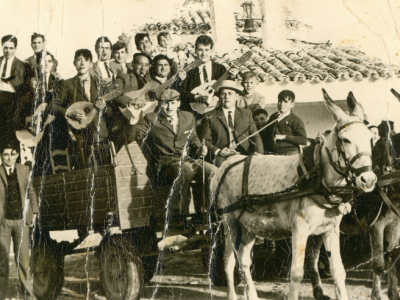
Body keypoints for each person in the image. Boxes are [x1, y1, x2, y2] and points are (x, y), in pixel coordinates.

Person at [135, 89, 217, 227]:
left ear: (178, 103)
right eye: (165, 103)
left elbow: (194, 140)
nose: (168, 107)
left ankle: (207, 210)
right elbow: (138, 136)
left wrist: (200, 149)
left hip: (188, 159)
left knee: (213, 171)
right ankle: (177, 213)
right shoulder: (151, 118)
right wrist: (152, 157)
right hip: (165, 163)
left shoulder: (188, 117)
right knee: (186, 170)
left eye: (172, 103)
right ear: (160, 104)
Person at [53, 49, 113, 169]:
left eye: (86, 60)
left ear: (91, 63)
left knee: (105, 168)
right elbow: (52, 106)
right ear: (74, 63)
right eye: (79, 60)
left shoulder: (100, 83)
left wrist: (104, 108)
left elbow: (111, 111)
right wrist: (69, 112)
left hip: (99, 133)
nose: (82, 63)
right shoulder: (67, 84)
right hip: (79, 134)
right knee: (84, 168)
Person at [0, 143, 38, 300]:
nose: (9, 158)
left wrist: (34, 213)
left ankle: (27, 296)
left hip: (21, 223)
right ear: (1, 156)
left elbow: (32, 192)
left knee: (23, 261)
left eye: (12, 154)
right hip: (3, 223)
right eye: (6, 154)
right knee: (2, 263)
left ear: (17, 155)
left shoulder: (24, 170)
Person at [198, 80, 264, 167]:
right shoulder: (209, 116)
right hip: (221, 157)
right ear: (219, 97)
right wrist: (218, 151)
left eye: (230, 93)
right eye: (223, 94)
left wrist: (259, 153)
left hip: (243, 155)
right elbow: (205, 141)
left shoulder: (246, 114)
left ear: (237, 96)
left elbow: (255, 136)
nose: (226, 97)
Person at [179, 35, 227, 117]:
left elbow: (227, 88)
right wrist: (195, 97)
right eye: (200, 50)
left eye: (207, 50)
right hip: (195, 113)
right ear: (195, 51)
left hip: (217, 112)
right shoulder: (189, 70)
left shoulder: (220, 69)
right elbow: (181, 94)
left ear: (211, 51)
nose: (204, 53)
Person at [0, 35, 32, 149]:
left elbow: (25, 88)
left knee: (12, 134)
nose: (8, 51)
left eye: (11, 48)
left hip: (13, 100)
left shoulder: (23, 65)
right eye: (5, 48)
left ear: (15, 48)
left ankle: (15, 163)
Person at [268, 90, 307, 155]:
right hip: (274, 154)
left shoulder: (295, 120)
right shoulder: (273, 117)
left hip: (289, 155)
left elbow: (303, 139)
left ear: (292, 104)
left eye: (285, 102)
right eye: (280, 101)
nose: (282, 104)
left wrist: (284, 137)